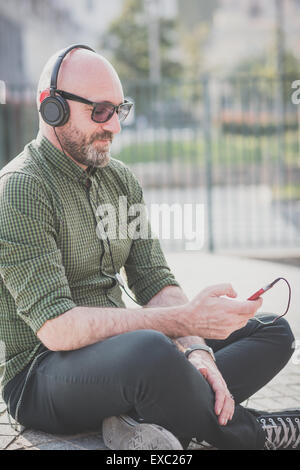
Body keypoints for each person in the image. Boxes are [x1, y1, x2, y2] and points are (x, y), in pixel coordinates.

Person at [0, 44, 298, 451]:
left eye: (120, 110)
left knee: (271, 331)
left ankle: (143, 415)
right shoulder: (20, 189)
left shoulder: (120, 179)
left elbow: (155, 280)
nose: (116, 127)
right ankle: (255, 433)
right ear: (52, 108)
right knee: (152, 349)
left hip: (126, 363)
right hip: (41, 375)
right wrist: (182, 323)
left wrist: (198, 350)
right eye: (100, 111)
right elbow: (58, 329)